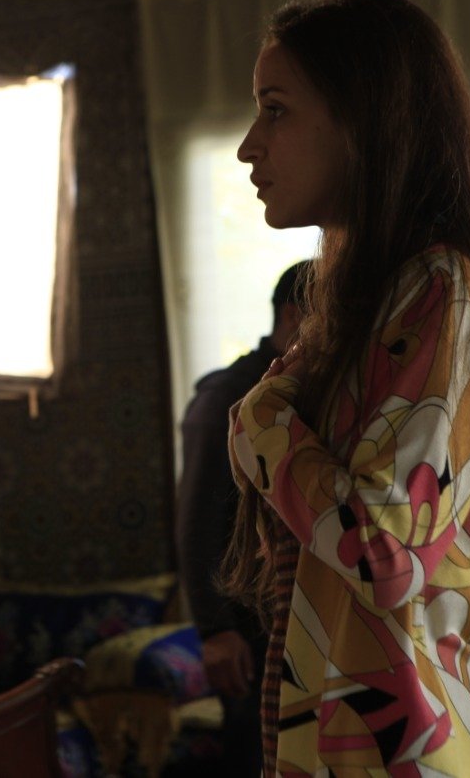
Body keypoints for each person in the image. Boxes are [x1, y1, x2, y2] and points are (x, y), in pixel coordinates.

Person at [225, 0, 470, 776]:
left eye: (275, 110)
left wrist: (262, 422)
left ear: (364, 122)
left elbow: (383, 551)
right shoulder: (384, 304)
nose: (250, 146)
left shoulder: (441, 293)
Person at [176, 260, 308, 776]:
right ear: (293, 316)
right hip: (247, 625)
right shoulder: (230, 394)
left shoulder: (305, 388)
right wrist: (215, 630)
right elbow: (196, 518)